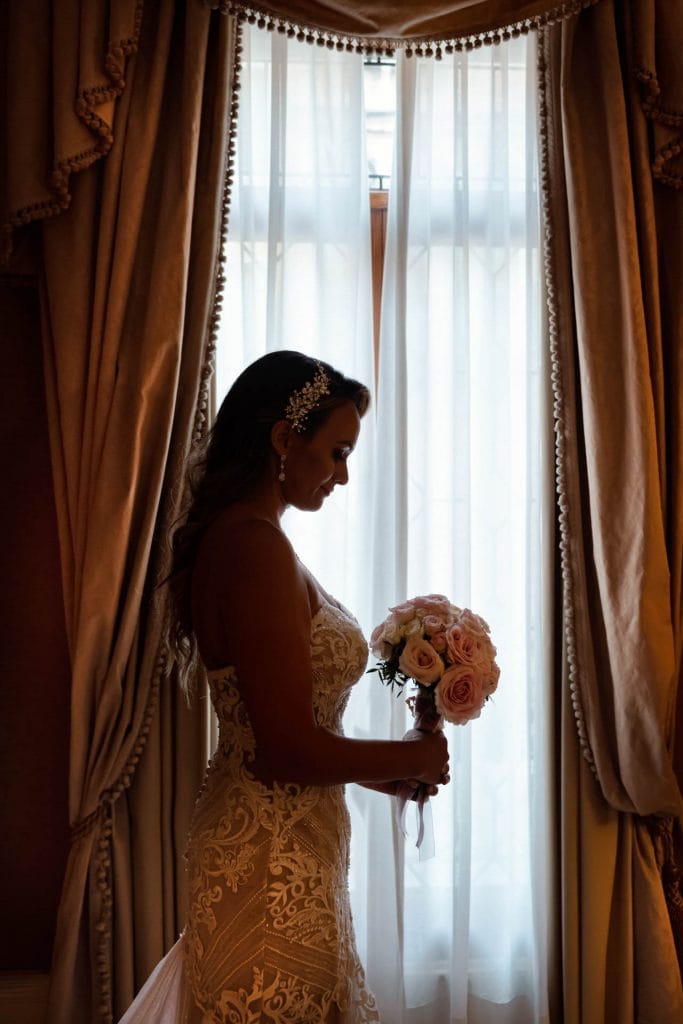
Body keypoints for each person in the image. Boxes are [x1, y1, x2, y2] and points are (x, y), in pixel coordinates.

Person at [120, 351, 449, 1023]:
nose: (344, 475)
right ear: (282, 440)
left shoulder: (252, 539)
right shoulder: (253, 546)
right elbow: (283, 751)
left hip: (287, 854)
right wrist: (410, 758)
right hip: (269, 870)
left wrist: (377, 772)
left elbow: (279, 735)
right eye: (336, 452)